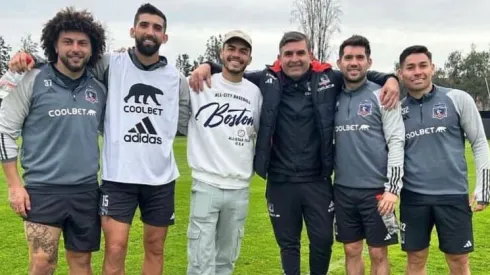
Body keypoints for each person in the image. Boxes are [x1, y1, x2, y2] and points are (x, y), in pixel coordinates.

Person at [189, 31, 400, 275]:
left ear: (310, 55)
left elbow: (357, 72)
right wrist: (207, 65)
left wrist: (391, 78)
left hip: (317, 181)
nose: (295, 59)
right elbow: (234, 68)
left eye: (300, 53)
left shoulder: (328, 78)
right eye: (288, 54)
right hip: (280, 181)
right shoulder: (267, 79)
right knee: (288, 245)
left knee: (322, 242)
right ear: (279, 57)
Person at [9, 3, 190, 275]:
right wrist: (29, 58)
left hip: (157, 179)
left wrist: (208, 67)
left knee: (154, 247)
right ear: (132, 30)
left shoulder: (176, 77)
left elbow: (186, 120)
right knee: (111, 249)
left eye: (157, 27)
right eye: (144, 25)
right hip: (115, 178)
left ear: (165, 36)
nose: (150, 32)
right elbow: (67, 63)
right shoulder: (109, 64)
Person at [0, 7, 107, 275]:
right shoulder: (31, 79)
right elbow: (4, 131)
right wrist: (14, 186)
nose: (75, 49)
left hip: (85, 191)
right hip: (42, 190)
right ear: (54, 46)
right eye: (67, 42)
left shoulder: (98, 88)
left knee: (81, 264)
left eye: (83, 43)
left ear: (92, 48)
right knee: (41, 263)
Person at [398, 45, 490, 275]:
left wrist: (484, 189)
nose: (417, 72)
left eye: (422, 65)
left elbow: (479, 143)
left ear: (432, 68)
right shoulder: (397, 110)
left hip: (452, 196)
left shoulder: (457, 98)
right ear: (401, 73)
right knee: (415, 260)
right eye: (410, 67)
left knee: (458, 261)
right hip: (413, 198)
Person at [183, 30, 262, 275]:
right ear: (221, 53)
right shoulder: (198, 83)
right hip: (206, 184)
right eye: (231, 49)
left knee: (226, 261)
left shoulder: (255, 93)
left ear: (249, 58)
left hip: (239, 189)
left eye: (243, 51)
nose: (236, 55)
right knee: (199, 261)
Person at [333, 35, 404, 275]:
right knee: (351, 250)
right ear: (339, 62)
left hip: (376, 192)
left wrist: (392, 189)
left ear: (369, 62)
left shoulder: (383, 95)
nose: (354, 63)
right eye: (348, 58)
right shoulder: (332, 97)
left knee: (378, 252)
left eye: (359, 58)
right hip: (342, 190)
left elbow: (396, 141)